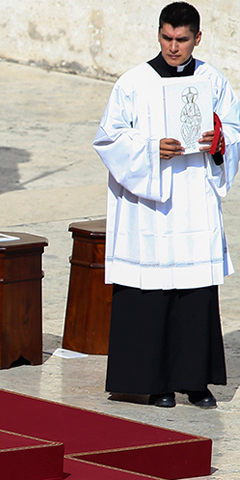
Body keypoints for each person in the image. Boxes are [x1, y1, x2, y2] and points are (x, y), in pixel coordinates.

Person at [93, 2, 240, 409]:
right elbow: (109, 138)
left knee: (194, 293)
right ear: (159, 34)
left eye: (182, 39)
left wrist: (220, 140)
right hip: (150, 203)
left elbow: (234, 126)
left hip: (194, 197)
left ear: (197, 38)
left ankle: (196, 382)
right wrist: (150, 148)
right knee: (151, 292)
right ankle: (154, 381)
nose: (173, 47)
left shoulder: (213, 80)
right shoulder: (133, 82)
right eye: (166, 38)